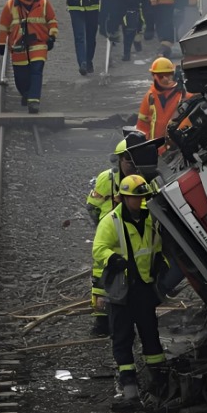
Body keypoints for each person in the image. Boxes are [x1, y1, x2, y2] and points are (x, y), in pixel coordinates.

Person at [93, 172, 171, 410]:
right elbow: (98, 249)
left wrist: (161, 263)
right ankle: (130, 392)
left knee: (151, 337)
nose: (140, 202)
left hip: (144, 289)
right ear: (124, 198)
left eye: (143, 197)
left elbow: (156, 246)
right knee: (122, 339)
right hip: (122, 292)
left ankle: (158, 385)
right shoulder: (111, 221)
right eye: (136, 198)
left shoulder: (149, 219)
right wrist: (112, 259)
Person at [86, 131, 154, 336]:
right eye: (126, 159)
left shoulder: (144, 180)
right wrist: (104, 226)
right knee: (101, 274)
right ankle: (101, 319)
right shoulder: (106, 179)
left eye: (133, 160)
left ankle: (127, 317)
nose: (130, 165)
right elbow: (93, 205)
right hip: (111, 233)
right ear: (118, 160)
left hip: (134, 234)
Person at [0, 0, 58, 114]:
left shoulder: (43, 3)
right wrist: (1, 44)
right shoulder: (10, 5)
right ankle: (26, 93)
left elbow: (52, 20)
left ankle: (34, 101)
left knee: (36, 72)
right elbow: (3, 26)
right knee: (21, 77)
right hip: (19, 47)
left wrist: (52, 36)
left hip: (39, 44)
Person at [136, 57, 193, 148]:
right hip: (155, 149)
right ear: (153, 76)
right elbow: (142, 125)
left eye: (168, 74)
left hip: (176, 150)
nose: (165, 79)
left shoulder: (184, 96)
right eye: (161, 76)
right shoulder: (150, 97)